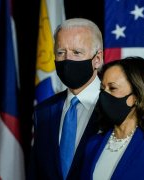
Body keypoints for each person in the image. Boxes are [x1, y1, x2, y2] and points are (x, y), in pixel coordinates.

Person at [27, 18, 103, 180]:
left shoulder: (116, 107)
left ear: (97, 59)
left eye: (77, 52)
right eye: (61, 52)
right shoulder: (44, 112)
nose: (68, 60)